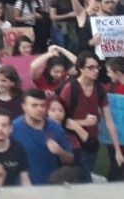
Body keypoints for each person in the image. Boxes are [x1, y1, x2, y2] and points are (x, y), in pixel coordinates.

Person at [59, 51, 123, 179]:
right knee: (83, 179)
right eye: (90, 67)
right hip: (74, 142)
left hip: (92, 142)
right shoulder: (70, 88)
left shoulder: (99, 89)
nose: (96, 71)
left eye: (97, 67)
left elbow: (109, 121)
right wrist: (82, 123)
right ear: (81, 69)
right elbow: (58, 119)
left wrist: (117, 150)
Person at [11, 88, 74, 185]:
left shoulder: (55, 128)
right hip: (23, 189)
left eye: (42, 105)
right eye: (34, 105)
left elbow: (70, 159)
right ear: (24, 107)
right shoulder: (13, 128)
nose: (40, 109)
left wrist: (60, 151)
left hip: (50, 187)